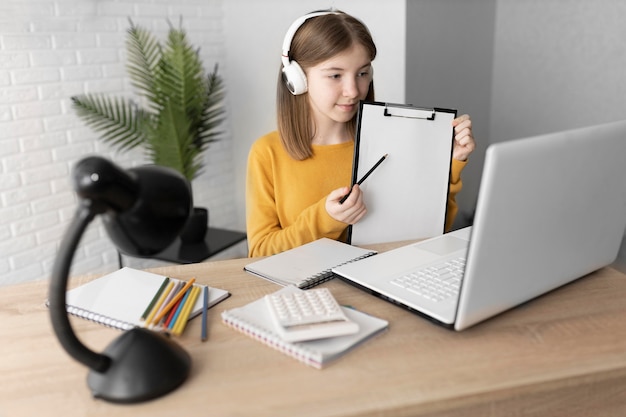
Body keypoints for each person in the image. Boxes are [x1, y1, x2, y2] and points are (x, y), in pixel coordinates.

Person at [246, 10, 476, 257]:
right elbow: (260, 253)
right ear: (297, 79)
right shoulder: (267, 153)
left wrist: (449, 163)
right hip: (307, 292)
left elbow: (431, 232)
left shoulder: (391, 143)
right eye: (335, 75)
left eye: (362, 73)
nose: (353, 90)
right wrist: (325, 219)